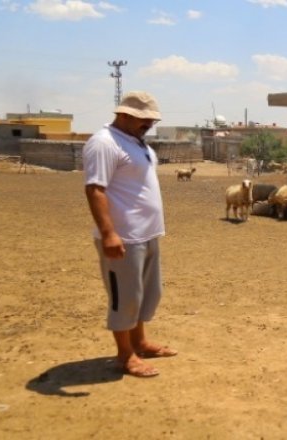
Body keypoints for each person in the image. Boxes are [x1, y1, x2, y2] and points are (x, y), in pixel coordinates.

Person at [82, 91, 177, 378]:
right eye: (143, 120)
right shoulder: (104, 143)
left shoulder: (136, 142)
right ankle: (125, 356)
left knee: (146, 293)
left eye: (151, 120)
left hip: (147, 235)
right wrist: (109, 234)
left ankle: (140, 342)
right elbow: (95, 189)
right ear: (124, 115)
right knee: (125, 297)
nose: (148, 124)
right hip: (123, 237)